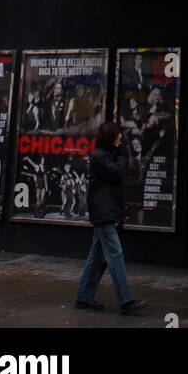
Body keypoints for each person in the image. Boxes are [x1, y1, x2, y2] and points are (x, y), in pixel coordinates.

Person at [74, 122, 146, 315]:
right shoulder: (100, 157)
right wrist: (122, 154)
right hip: (103, 212)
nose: (121, 138)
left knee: (97, 257)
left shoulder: (104, 155)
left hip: (105, 210)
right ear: (111, 139)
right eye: (118, 136)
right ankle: (125, 299)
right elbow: (118, 174)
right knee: (115, 254)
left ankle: (84, 297)